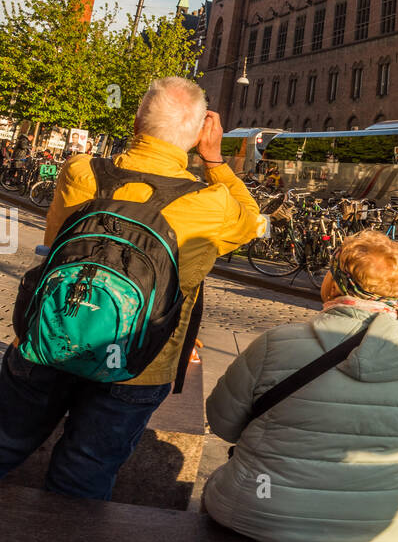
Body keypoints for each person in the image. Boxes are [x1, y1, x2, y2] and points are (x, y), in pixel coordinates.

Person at [0, 77, 265, 500]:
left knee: (5, 441)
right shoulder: (210, 204)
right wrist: (214, 160)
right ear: (199, 132)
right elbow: (253, 220)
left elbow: (52, 243)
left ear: (138, 118)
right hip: (139, 365)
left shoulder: (81, 170)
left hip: (47, 339)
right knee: (85, 471)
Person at [203, 230, 398, 542]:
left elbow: (222, 423)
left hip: (266, 511)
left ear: (333, 283)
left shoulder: (275, 344)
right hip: (395, 523)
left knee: (218, 489)